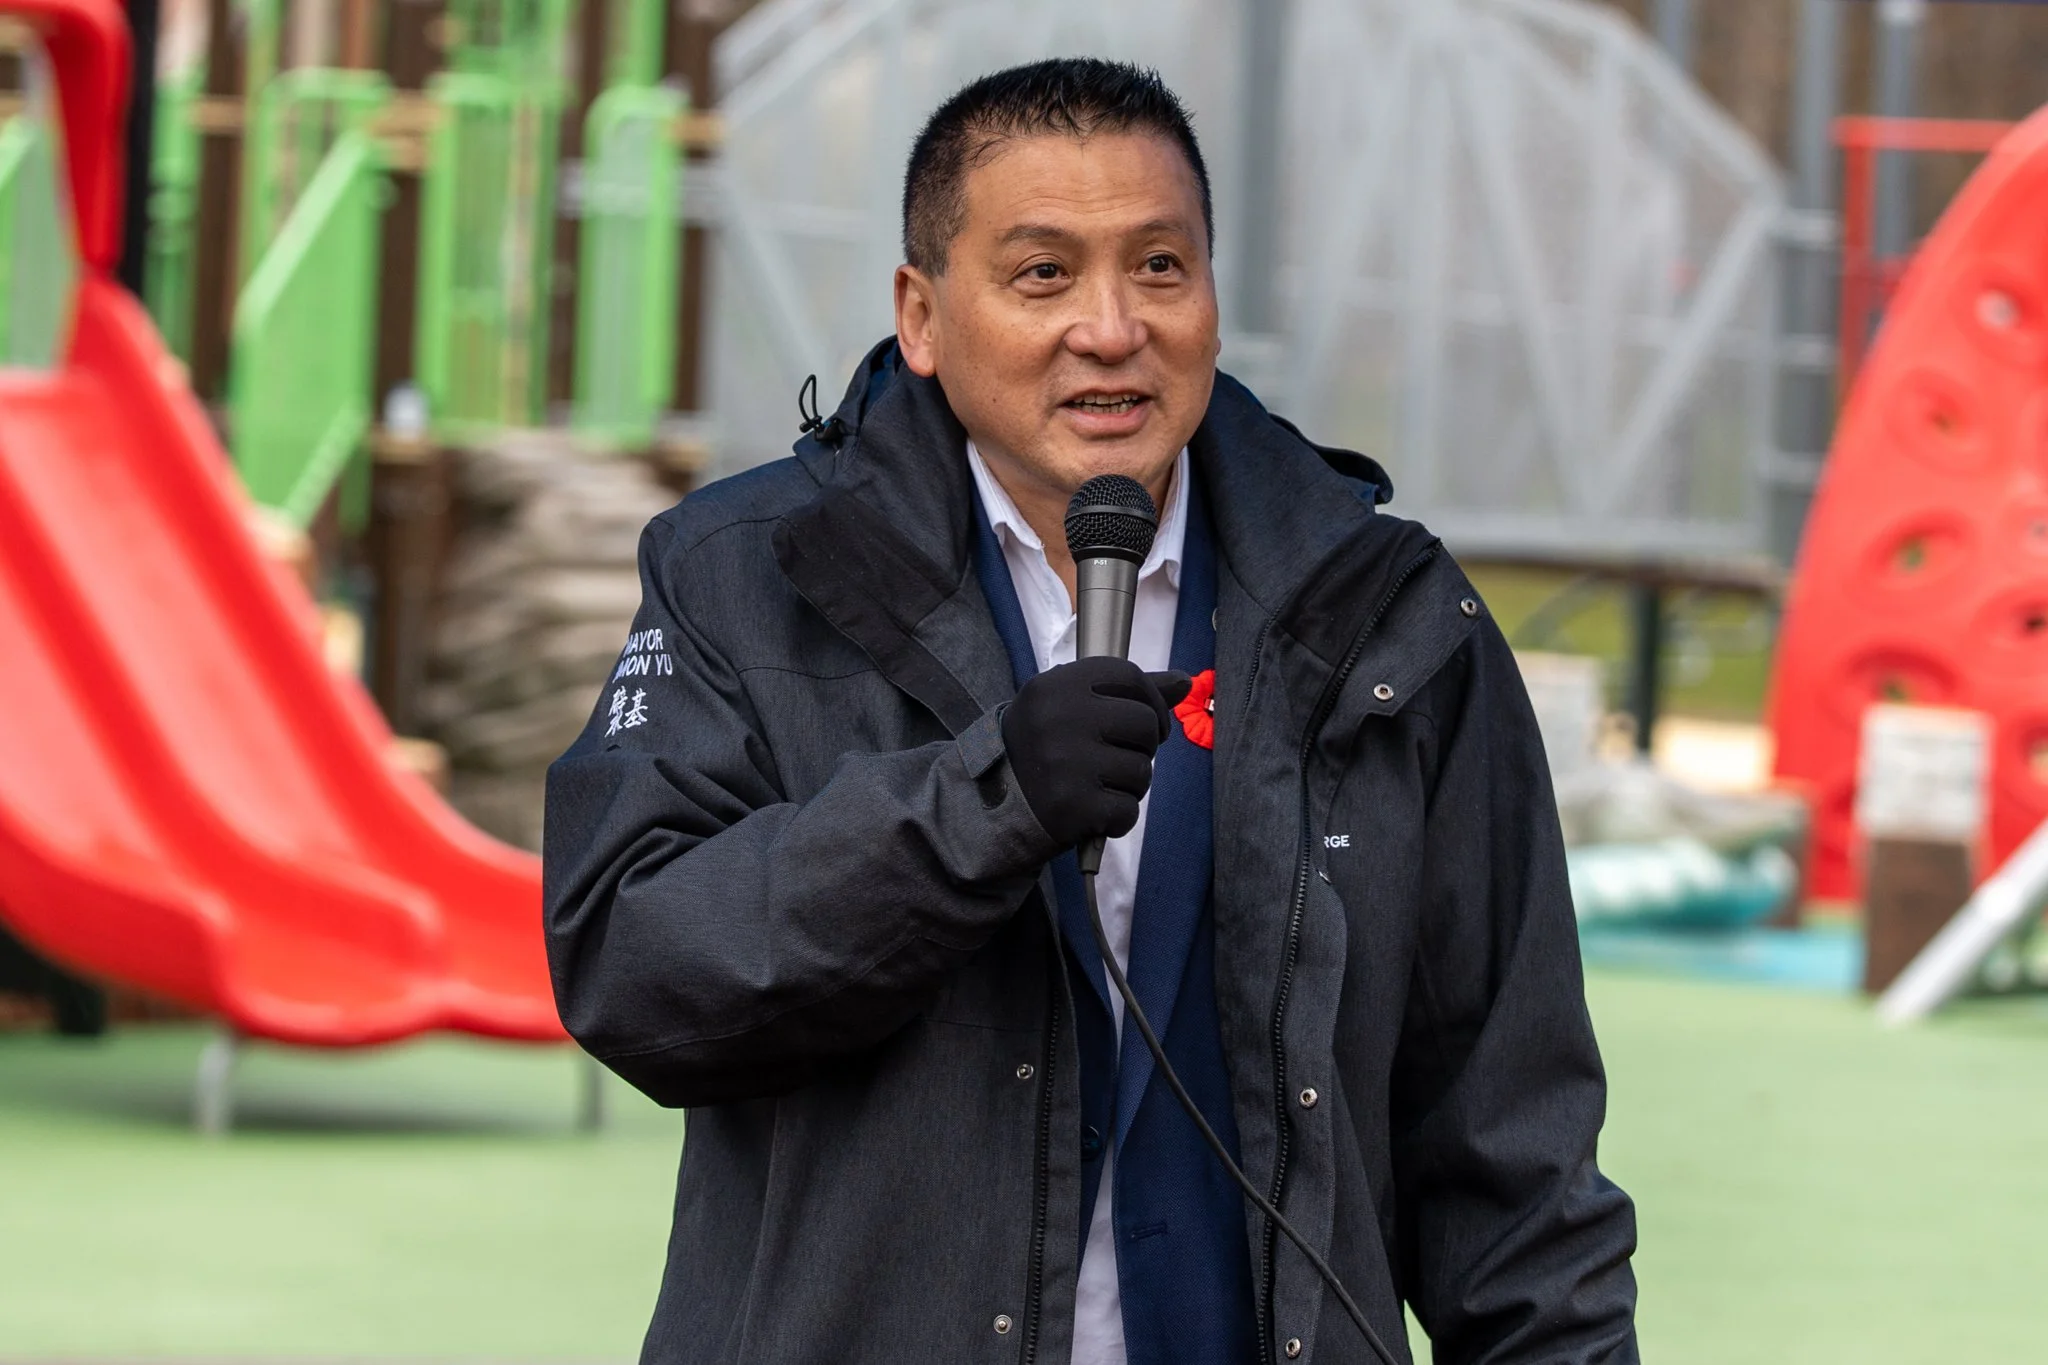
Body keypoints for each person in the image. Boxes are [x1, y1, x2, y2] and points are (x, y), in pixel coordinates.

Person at [544, 57, 1638, 1365]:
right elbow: (634, 965)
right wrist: (979, 805)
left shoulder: (1391, 623)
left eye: (1161, 267)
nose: (1112, 328)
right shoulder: (749, 575)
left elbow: (1511, 1152)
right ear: (924, 315)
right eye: (1043, 273)